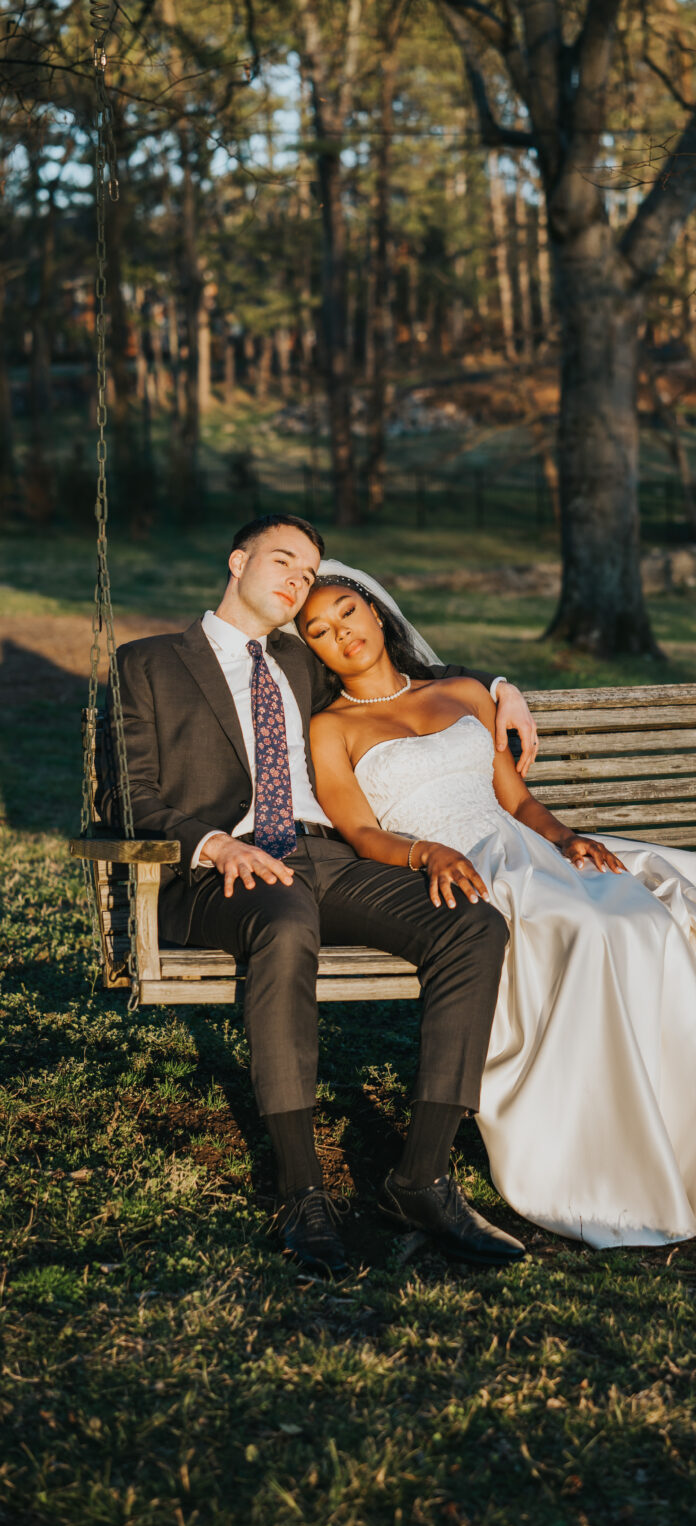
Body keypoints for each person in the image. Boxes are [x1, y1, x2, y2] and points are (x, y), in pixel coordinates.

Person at [299, 573, 696, 1249]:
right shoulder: (332, 729)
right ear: (314, 650)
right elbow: (362, 832)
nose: (342, 633)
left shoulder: (460, 693)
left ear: (374, 612)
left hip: (526, 848)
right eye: (320, 631)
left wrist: (566, 837)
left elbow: (514, 800)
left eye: (348, 613)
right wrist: (426, 854)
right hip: (461, 870)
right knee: (604, 932)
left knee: (662, 924)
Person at [102, 515, 543, 1273]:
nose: (295, 582)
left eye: (308, 574)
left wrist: (501, 687)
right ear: (238, 561)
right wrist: (214, 842)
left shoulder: (300, 659)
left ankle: (422, 1176)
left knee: (471, 924)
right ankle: (302, 1189)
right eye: (282, 562)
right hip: (223, 870)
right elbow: (127, 796)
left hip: (326, 857)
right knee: (283, 923)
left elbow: (396, 672)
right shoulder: (148, 663)